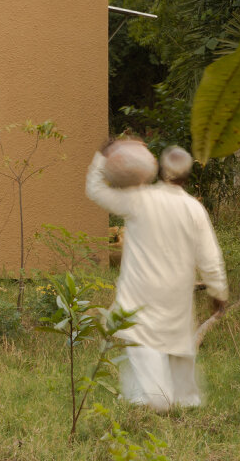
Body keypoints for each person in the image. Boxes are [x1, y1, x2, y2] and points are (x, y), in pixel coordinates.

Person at [86, 141, 228, 412]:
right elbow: (210, 258)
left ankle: (155, 401)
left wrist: (102, 157)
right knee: (178, 348)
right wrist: (218, 293)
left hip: (139, 293)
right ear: (187, 177)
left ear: (161, 171)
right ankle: (184, 402)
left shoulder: (140, 199)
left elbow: (95, 190)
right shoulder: (194, 209)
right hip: (176, 295)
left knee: (143, 346)